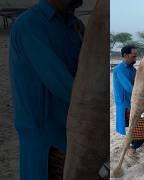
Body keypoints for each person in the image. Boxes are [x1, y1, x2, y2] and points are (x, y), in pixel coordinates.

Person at [8, 0, 84, 179]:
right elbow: (63, 85)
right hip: (44, 137)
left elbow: (86, 75)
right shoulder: (30, 25)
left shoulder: (76, 27)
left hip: (72, 131)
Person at [113, 45, 144, 157]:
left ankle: (133, 143)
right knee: (136, 126)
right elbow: (130, 88)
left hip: (134, 102)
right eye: (133, 55)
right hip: (125, 104)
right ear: (125, 55)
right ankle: (132, 148)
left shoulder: (133, 70)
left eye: (136, 56)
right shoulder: (119, 70)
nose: (135, 58)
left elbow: (140, 83)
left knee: (134, 125)